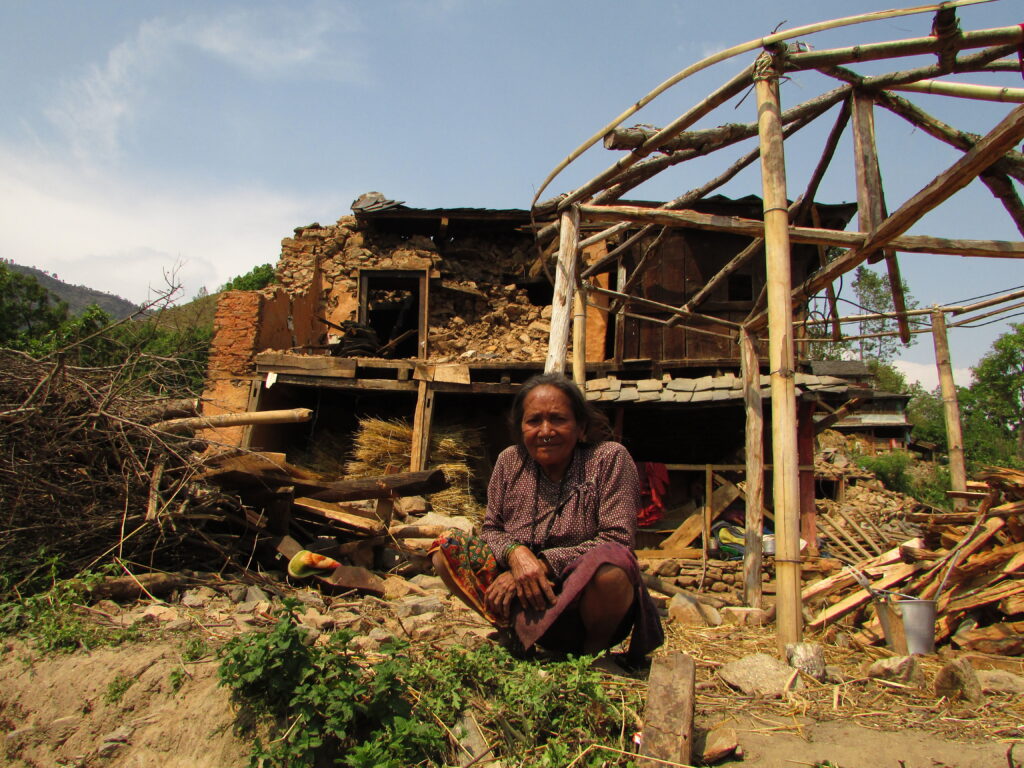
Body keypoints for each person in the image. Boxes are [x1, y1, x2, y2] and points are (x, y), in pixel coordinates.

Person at [429, 373, 663, 664]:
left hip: (588, 609)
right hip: (525, 603)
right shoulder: (509, 462)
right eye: (534, 421)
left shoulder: (608, 459)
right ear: (520, 429)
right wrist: (516, 557)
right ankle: (513, 634)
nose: (546, 430)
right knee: (446, 550)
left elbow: (618, 539)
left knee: (612, 565)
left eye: (558, 419)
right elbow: (492, 528)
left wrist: (542, 565)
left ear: (581, 428)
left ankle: (589, 659)